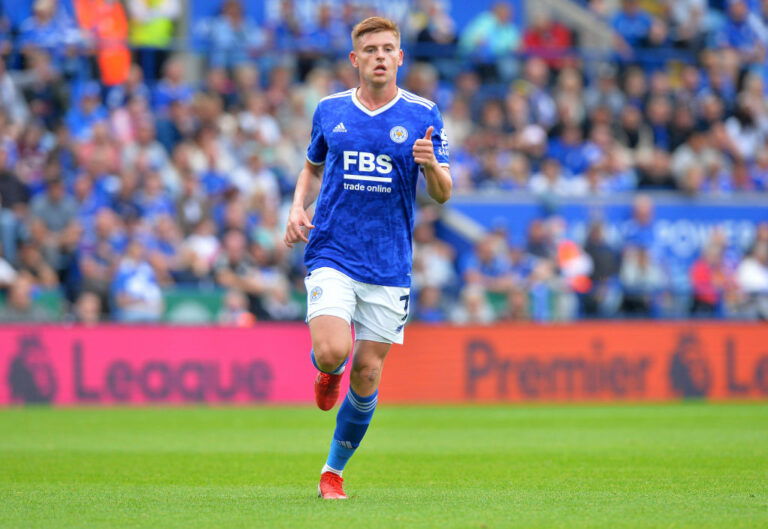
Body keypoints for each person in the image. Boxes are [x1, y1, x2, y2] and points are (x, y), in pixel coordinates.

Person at [283, 16, 451, 500]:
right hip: (333, 250)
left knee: (369, 371)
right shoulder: (330, 110)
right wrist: (298, 207)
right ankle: (326, 369)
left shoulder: (424, 115)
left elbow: (442, 194)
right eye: (370, 49)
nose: (380, 56)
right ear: (355, 60)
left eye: (388, 49)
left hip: (389, 263)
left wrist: (432, 166)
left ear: (401, 57)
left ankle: (332, 471)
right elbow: (313, 169)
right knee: (335, 351)